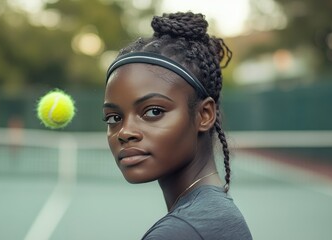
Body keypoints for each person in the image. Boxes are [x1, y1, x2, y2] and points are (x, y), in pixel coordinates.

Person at [103, 12, 252, 240]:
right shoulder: (216, 216)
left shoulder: (181, 231)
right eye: (114, 118)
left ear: (204, 114)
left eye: (153, 112)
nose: (124, 132)